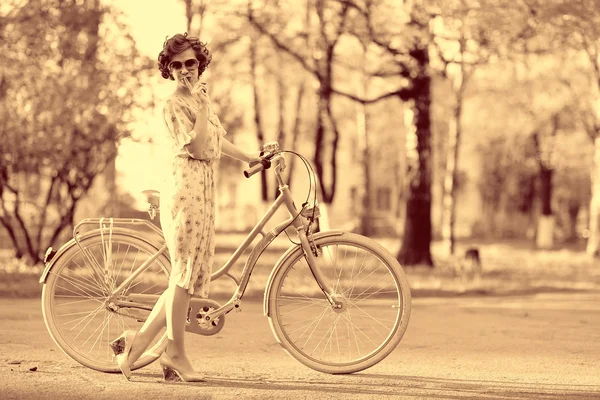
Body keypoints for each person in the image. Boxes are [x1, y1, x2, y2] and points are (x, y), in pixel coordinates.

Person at [109, 32, 260, 383]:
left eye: (190, 63)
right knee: (183, 276)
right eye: (176, 65)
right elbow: (194, 147)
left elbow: (216, 141)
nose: (184, 70)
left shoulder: (199, 101)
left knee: (187, 279)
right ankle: (175, 353)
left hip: (204, 194)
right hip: (185, 192)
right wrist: (204, 107)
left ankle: (136, 343)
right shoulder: (174, 104)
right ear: (168, 69)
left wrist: (251, 157)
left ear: (200, 64)